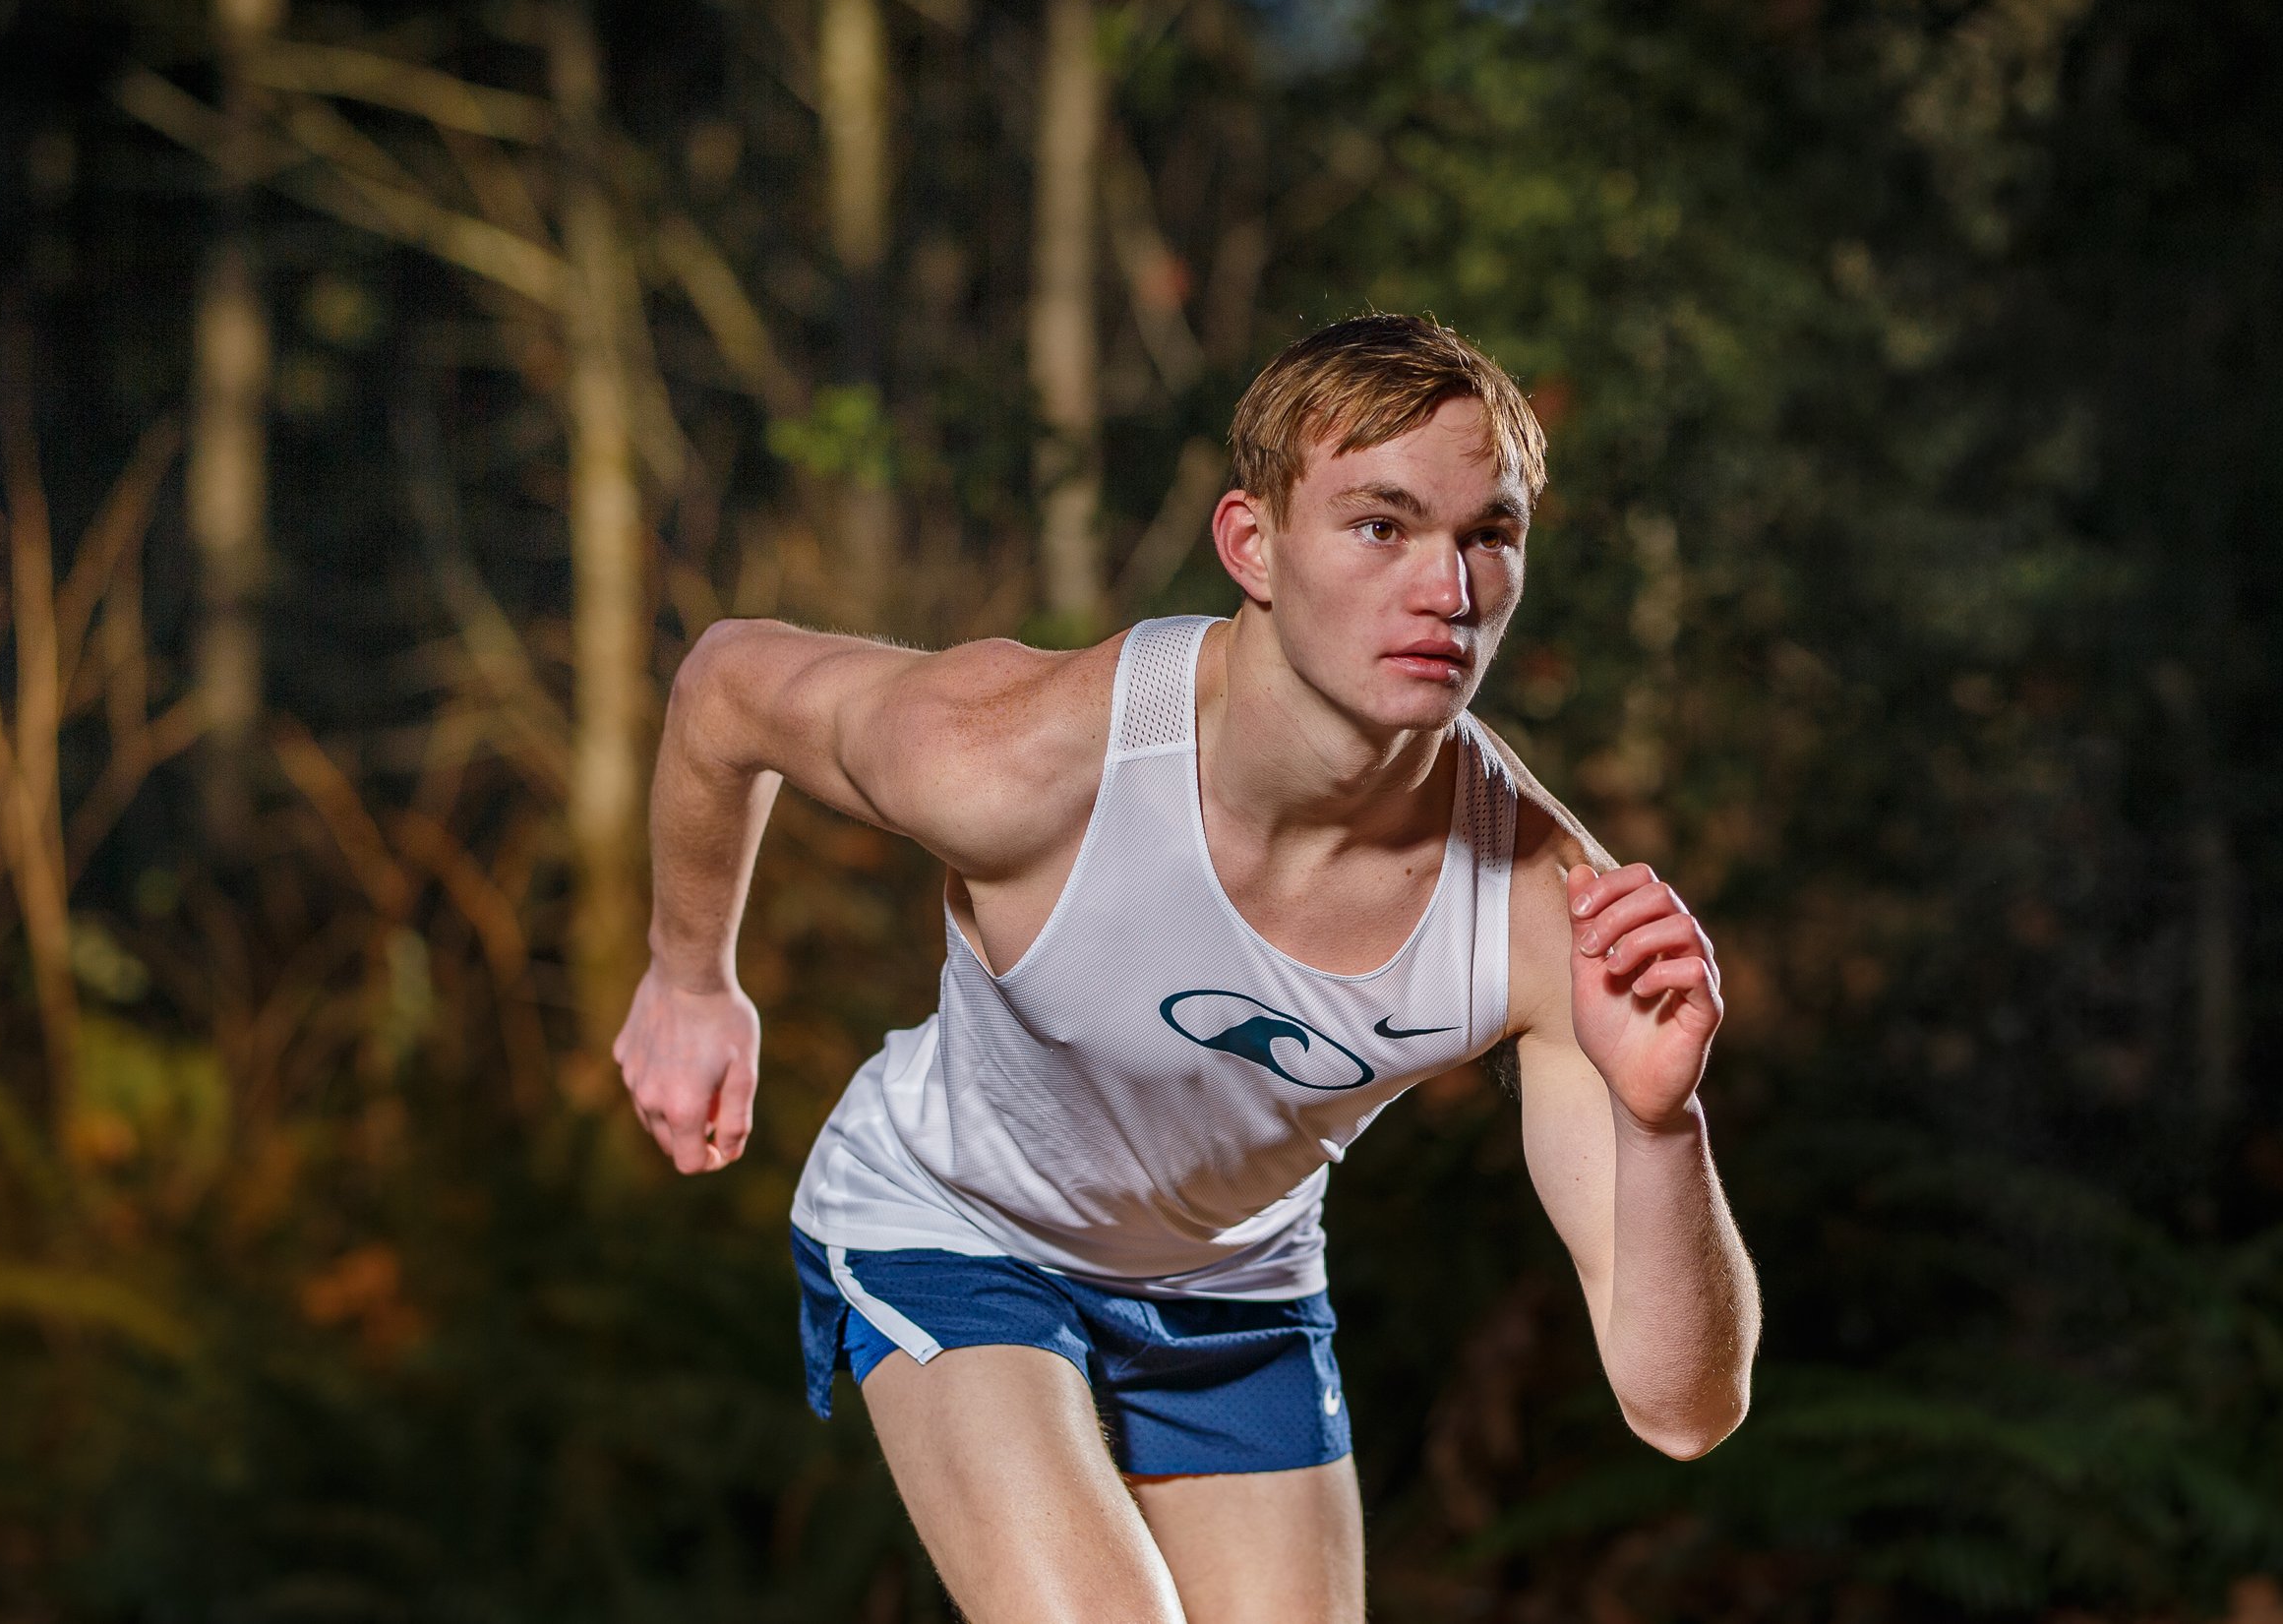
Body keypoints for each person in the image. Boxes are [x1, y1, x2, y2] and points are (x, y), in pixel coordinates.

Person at [613, 314, 1761, 1624]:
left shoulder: (1548, 913)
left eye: (1486, 536)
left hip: (1239, 1282)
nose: (1445, 591)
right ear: (1251, 545)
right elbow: (727, 686)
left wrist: (1666, 1125)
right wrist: (690, 976)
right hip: (956, 1222)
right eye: (1381, 526)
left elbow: (1681, 1411)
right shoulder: (1021, 763)